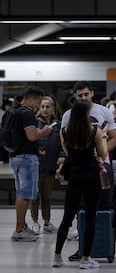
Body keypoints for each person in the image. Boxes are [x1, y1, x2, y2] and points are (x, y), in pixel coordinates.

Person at [52, 99, 108, 269]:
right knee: (90, 217)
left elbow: (69, 154)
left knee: (67, 217)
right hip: (91, 176)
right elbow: (102, 154)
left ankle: (57, 256)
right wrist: (104, 136)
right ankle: (85, 259)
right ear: (85, 114)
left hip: (74, 176)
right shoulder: (95, 131)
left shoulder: (64, 131)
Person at [10, 86, 53, 242]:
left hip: (14, 156)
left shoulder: (13, 111)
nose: (39, 106)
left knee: (21, 193)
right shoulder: (27, 113)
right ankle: (19, 230)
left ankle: (22, 225)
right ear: (32, 99)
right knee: (25, 195)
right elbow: (32, 136)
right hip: (27, 157)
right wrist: (44, 131)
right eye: (39, 102)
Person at [30, 96, 65, 234]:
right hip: (36, 165)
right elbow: (31, 141)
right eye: (42, 106)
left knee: (46, 195)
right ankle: (34, 222)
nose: (45, 109)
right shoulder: (34, 123)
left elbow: (63, 143)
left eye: (48, 107)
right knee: (35, 195)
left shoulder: (58, 124)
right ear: (39, 108)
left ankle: (46, 222)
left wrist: (62, 155)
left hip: (51, 165)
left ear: (53, 108)